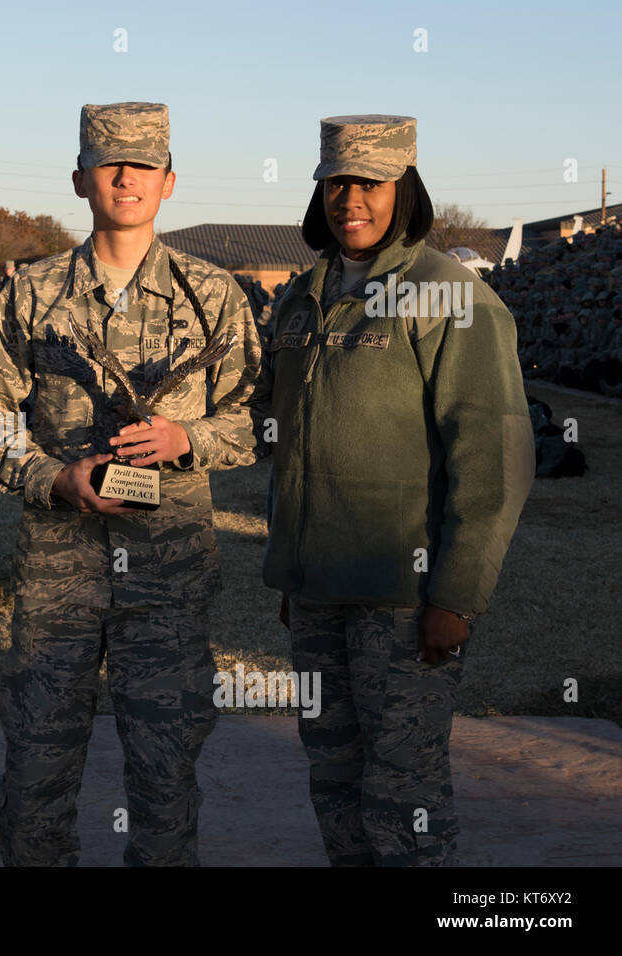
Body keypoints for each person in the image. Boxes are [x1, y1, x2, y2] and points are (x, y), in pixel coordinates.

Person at [0, 102, 261, 866]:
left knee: (165, 788)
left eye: (141, 165)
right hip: (60, 574)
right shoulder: (33, 292)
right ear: (79, 179)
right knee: (35, 779)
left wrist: (184, 438)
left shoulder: (213, 297)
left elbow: (255, 422)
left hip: (168, 575)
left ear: (168, 182)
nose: (125, 177)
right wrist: (54, 478)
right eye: (108, 162)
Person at [254, 114, 534, 866]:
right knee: (335, 777)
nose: (352, 199)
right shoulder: (300, 299)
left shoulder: (447, 295)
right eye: (337, 182)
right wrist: (291, 564)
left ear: (404, 189)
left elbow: (495, 455)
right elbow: (286, 439)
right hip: (316, 595)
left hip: (405, 601)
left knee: (404, 790)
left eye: (371, 183)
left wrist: (457, 594)